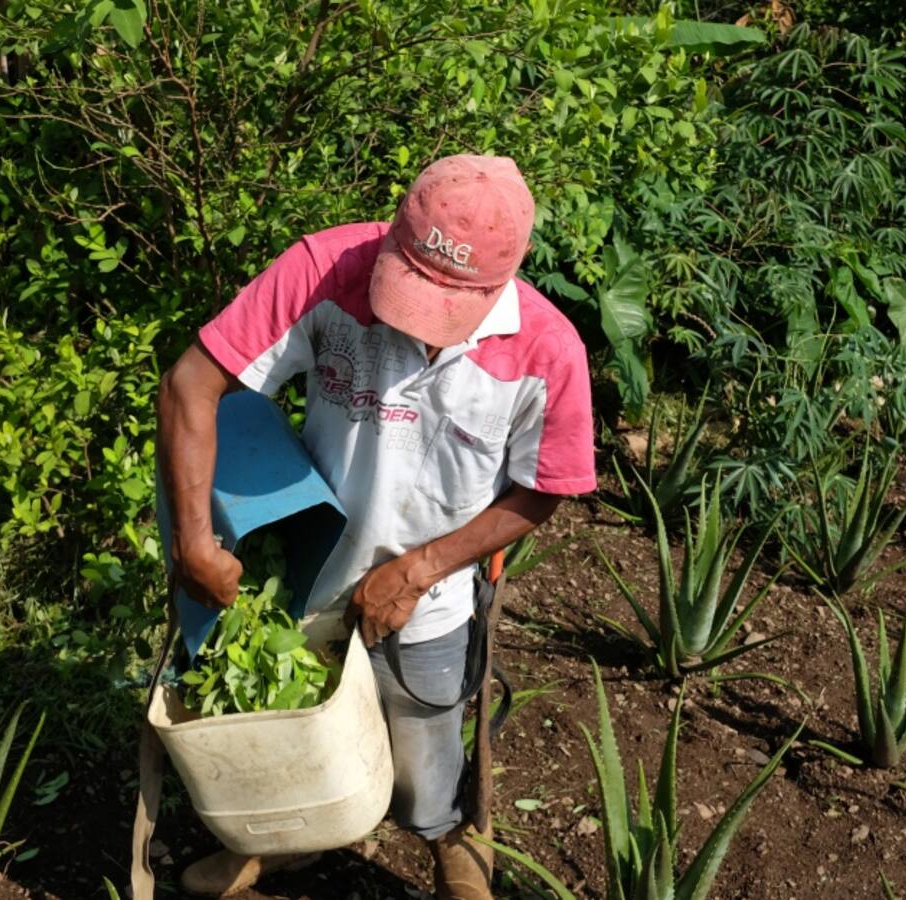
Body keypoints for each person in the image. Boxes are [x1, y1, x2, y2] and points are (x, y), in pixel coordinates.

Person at [157, 154, 596, 899]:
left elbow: (545, 489)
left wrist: (422, 568)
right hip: (301, 570)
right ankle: (284, 839)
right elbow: (189, 385)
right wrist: (195, 540)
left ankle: (449, 841)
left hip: (433, 595)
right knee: (284, 724)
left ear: (499, 284)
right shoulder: (326, 271)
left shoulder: (546, 352)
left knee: (424, 742)